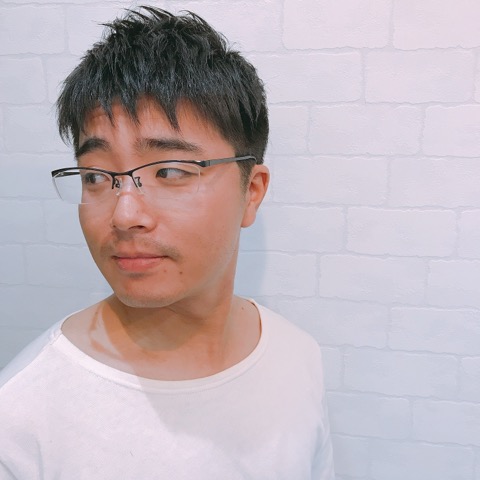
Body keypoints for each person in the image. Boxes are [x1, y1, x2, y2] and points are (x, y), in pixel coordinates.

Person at [0, 6, 334, 479]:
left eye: (171, 172)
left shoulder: (296, 356)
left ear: (251, 192)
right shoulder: (20, 419)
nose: (124, 215)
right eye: (96, 175)